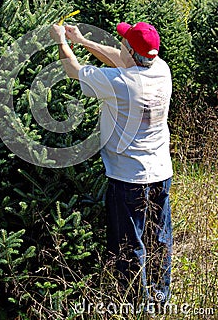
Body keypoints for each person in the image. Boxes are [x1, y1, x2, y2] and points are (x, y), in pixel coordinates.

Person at [50, 21, 173, 311]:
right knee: (160, 238)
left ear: (130, 50)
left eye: (124, 42)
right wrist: (83, 40)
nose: (120, 46)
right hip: (161, 173)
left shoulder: (117, 83)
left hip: (127, 178)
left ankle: (135, 305)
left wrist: (61, 41)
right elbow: (124, 60)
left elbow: (74, 70)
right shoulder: (162, 70)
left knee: (130, 245)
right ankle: (160, 299)